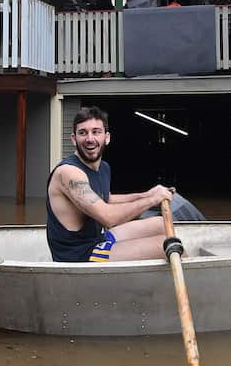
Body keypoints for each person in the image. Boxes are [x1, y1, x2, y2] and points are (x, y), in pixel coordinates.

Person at [46, 106, 173, 262]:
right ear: (74, 139)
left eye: (96, 132)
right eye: (83, 133)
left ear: (106, 137)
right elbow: (108, 217)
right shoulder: (68, 173)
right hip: (79, 254)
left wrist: (147, 194)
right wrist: (152, 200)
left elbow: (106, 199)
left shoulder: (103, 167)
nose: (90, 139)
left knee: (160, 224)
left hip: (96, 240)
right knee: (163, 245)